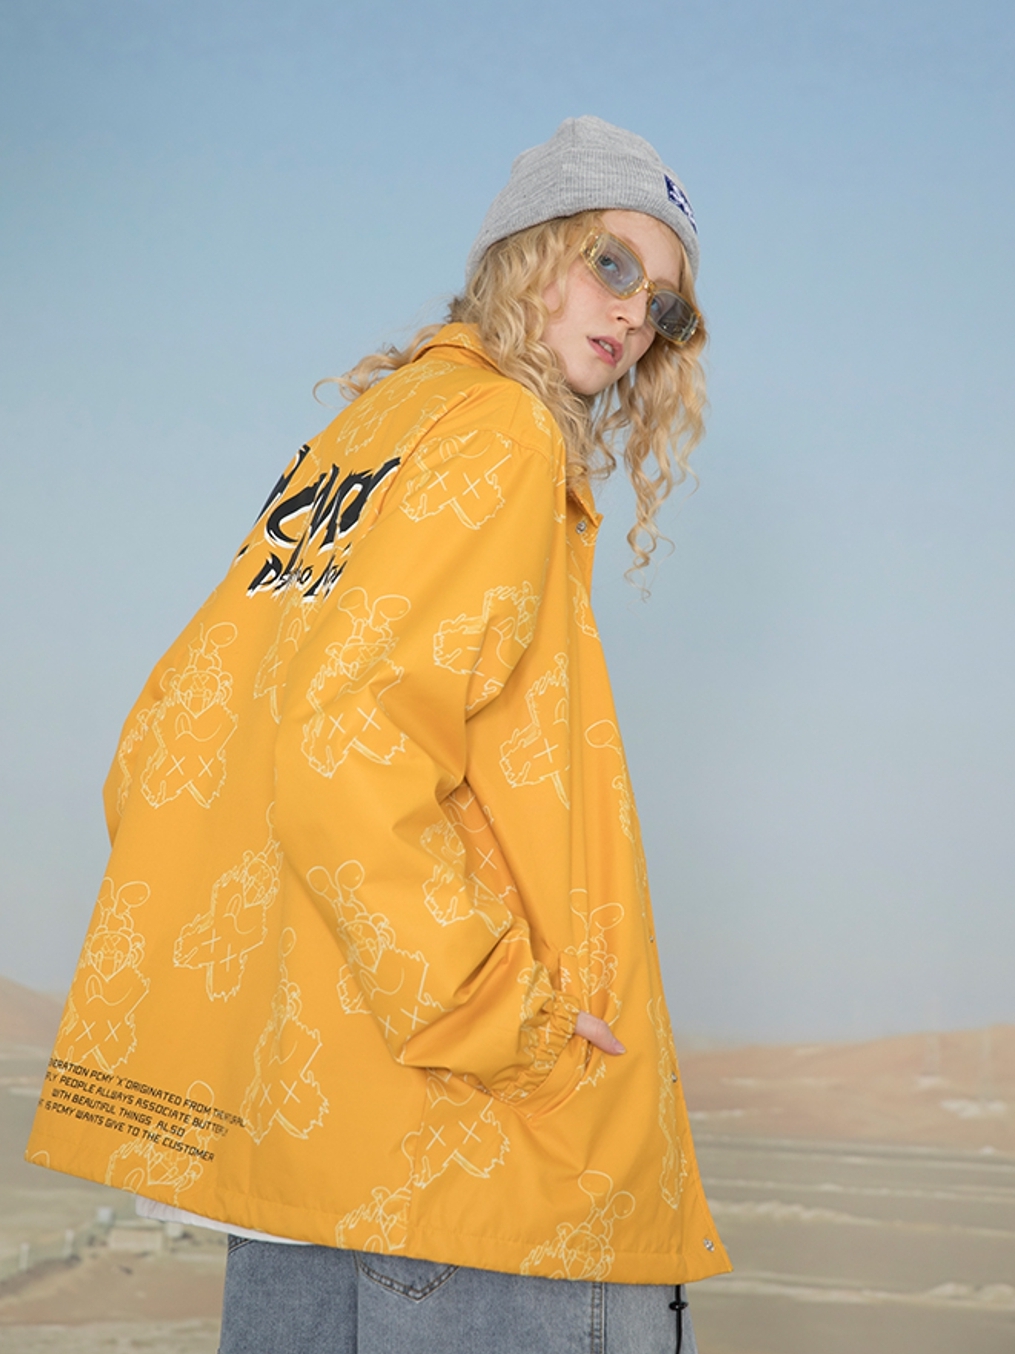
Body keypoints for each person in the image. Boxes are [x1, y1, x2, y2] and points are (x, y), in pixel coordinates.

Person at [27, 116, 730, 1353]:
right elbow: (344, 751)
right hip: (471, 1169)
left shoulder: (366, 435)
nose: (633, 315)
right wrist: (502, 1015)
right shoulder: (502, 434)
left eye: (664, 305)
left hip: (308, 1158)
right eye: (611, 262)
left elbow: (171, 739)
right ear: (526, 247)